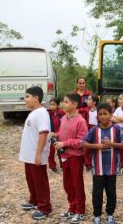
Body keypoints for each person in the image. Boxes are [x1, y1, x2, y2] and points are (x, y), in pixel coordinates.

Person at [82, 103, 123, 224]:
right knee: (97, 192)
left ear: (111, 115)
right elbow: (83, 143)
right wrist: (96, 146)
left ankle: (110, 214)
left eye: (105, 114)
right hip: (98, 169)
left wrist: (112, 144)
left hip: (112, 168)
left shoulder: (117, 129)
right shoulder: (94, 129)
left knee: (111, 192)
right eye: (100, 114)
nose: (102, 116)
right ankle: (97, 215)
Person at [53, 93, 88, 224]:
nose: (63, 104)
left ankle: (80, 211)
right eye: (63, 101)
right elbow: (63, 134)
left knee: (77, 184)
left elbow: (82, 141)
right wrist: (55, 135)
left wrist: (65, 143)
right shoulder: (64, 118)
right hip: (64, 157)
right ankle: (72, 208)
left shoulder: (81, 121)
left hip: (75, 157)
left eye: (66, 102)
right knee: (67, 184)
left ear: (74, 104)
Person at [19, 86, 52, 220]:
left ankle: (45, 208)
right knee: (31, 179)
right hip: (29, 155)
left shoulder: (42, 113)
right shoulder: (34, 112)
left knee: (40, 181)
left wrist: (38, 154)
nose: (25, 100)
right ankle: (34, 200)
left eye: (27, 97)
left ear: (36, 98)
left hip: (35, 155)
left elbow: (43, 133)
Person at [79, 94, 99, 172]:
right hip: (87, 128)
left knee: (95, 146)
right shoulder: (85, 110)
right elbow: (77, 111)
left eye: (89, 99)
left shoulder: (99, 110)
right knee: (87, 147)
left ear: (94, 102)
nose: (87, 101)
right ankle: (88, 164)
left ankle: (95, 163)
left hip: (95, 129)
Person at [48, 98, 65, 172]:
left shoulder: (62, 113)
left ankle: (63, 165)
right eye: (50, 105)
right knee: (51, 152)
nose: (51, 107)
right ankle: (52, 166)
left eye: (53, 105)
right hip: (51, 135)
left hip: (60, 134)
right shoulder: (48, 114)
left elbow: (65, 124)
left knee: (60, 151)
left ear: (58, 105)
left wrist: (59, 133)